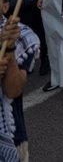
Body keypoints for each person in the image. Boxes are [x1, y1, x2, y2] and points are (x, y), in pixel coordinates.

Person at [0, 15, 37, 162]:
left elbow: (13, 90)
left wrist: (9, 48)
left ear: (5, 6)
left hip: (11, 138)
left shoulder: (22, 35)